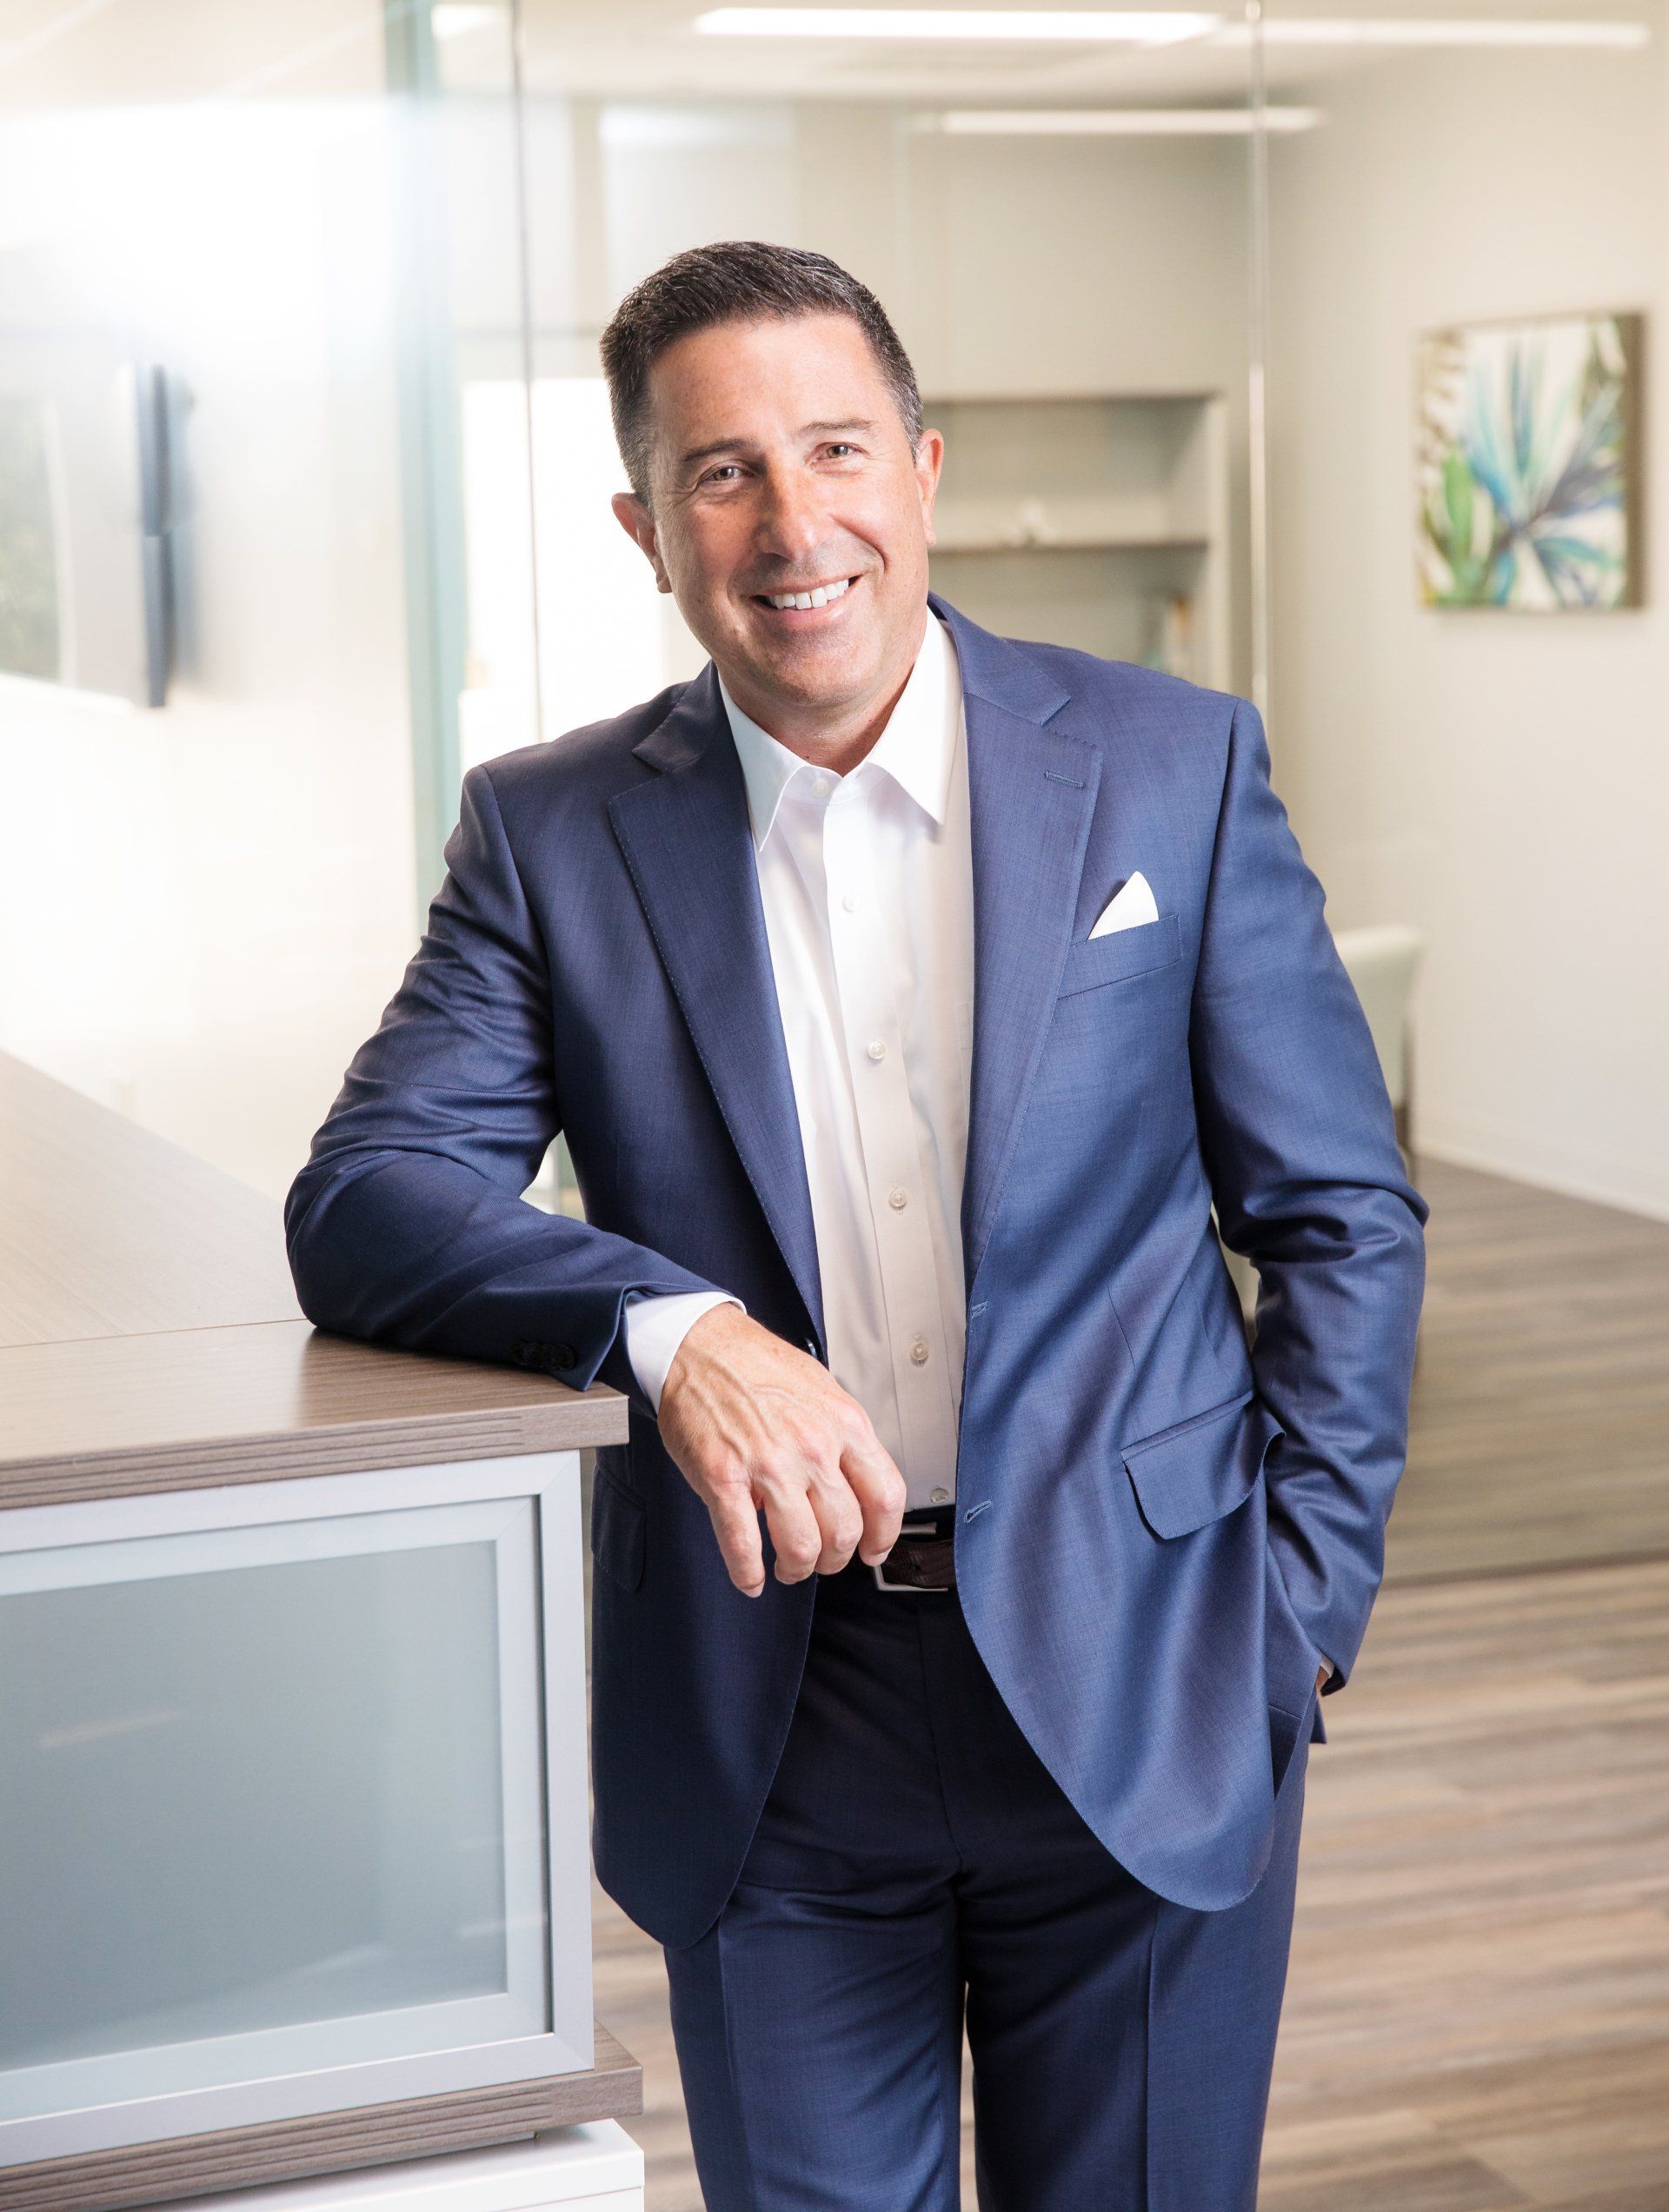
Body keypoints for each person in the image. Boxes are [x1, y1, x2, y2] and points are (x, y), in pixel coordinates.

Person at [287, 240, 1425, 2211]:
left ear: (925, 470)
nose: (793, 523)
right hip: (769, 1710)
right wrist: (677, 1332)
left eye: (835, 449)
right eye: (722, 473)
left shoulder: (1172, 766)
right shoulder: (550, 833)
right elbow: (368, 1195)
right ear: (648, 531)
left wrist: (1295, 1619)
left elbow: (1340, 1214)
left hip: (1151, 1661)